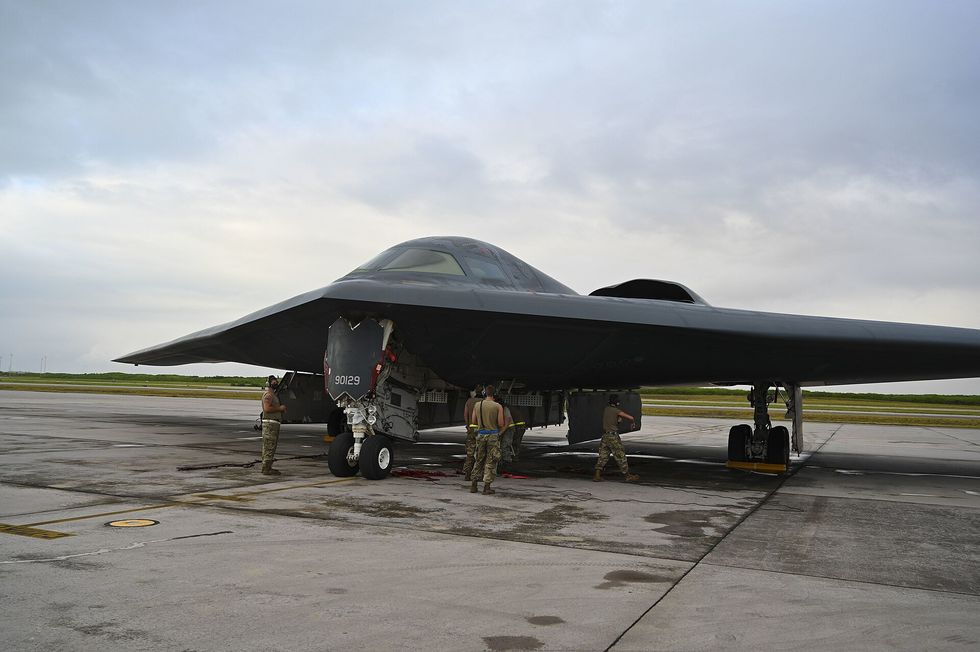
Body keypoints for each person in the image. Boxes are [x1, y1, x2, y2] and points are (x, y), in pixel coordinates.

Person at [594, 395, 639, 482]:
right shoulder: (616, 411)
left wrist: (617, 421)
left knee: (603, 456)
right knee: (620, 455)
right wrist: (632, 422)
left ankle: (597, 475)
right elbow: (630, 417)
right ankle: (627, 475)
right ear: (617, 402)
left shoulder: (606, 409)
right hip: (613, 437)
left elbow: (611, 420)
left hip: (605, 436)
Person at [469, 384, 504, 495]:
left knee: (478, 459)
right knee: (491, 460)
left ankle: (473, 485)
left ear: (484, 393)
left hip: (480, 435)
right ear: (495, 394)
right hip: (492, 436)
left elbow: (473, 421)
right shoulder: (498, 406)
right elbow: (501, 423)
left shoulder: (477, 405)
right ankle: (486, 487)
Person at [260, 375, 287, 475]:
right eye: (274, 381)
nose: (276, 383)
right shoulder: (269, 395)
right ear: (269, 383)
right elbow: (267, 409)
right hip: (270, 424)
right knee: (269, 446)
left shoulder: (273, 395)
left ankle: (267, 467)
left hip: (273, 423)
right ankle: (266, 469)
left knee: (269, 446)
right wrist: (279, 409)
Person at [462, 385, 484, 480]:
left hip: (471, 429)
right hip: (481, 430)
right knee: (480, 453)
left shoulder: (469, 401)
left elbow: (465, 415)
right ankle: (477, 475)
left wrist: (468, 425)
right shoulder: (483, 402)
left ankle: (467, 474)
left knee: (470, 453)